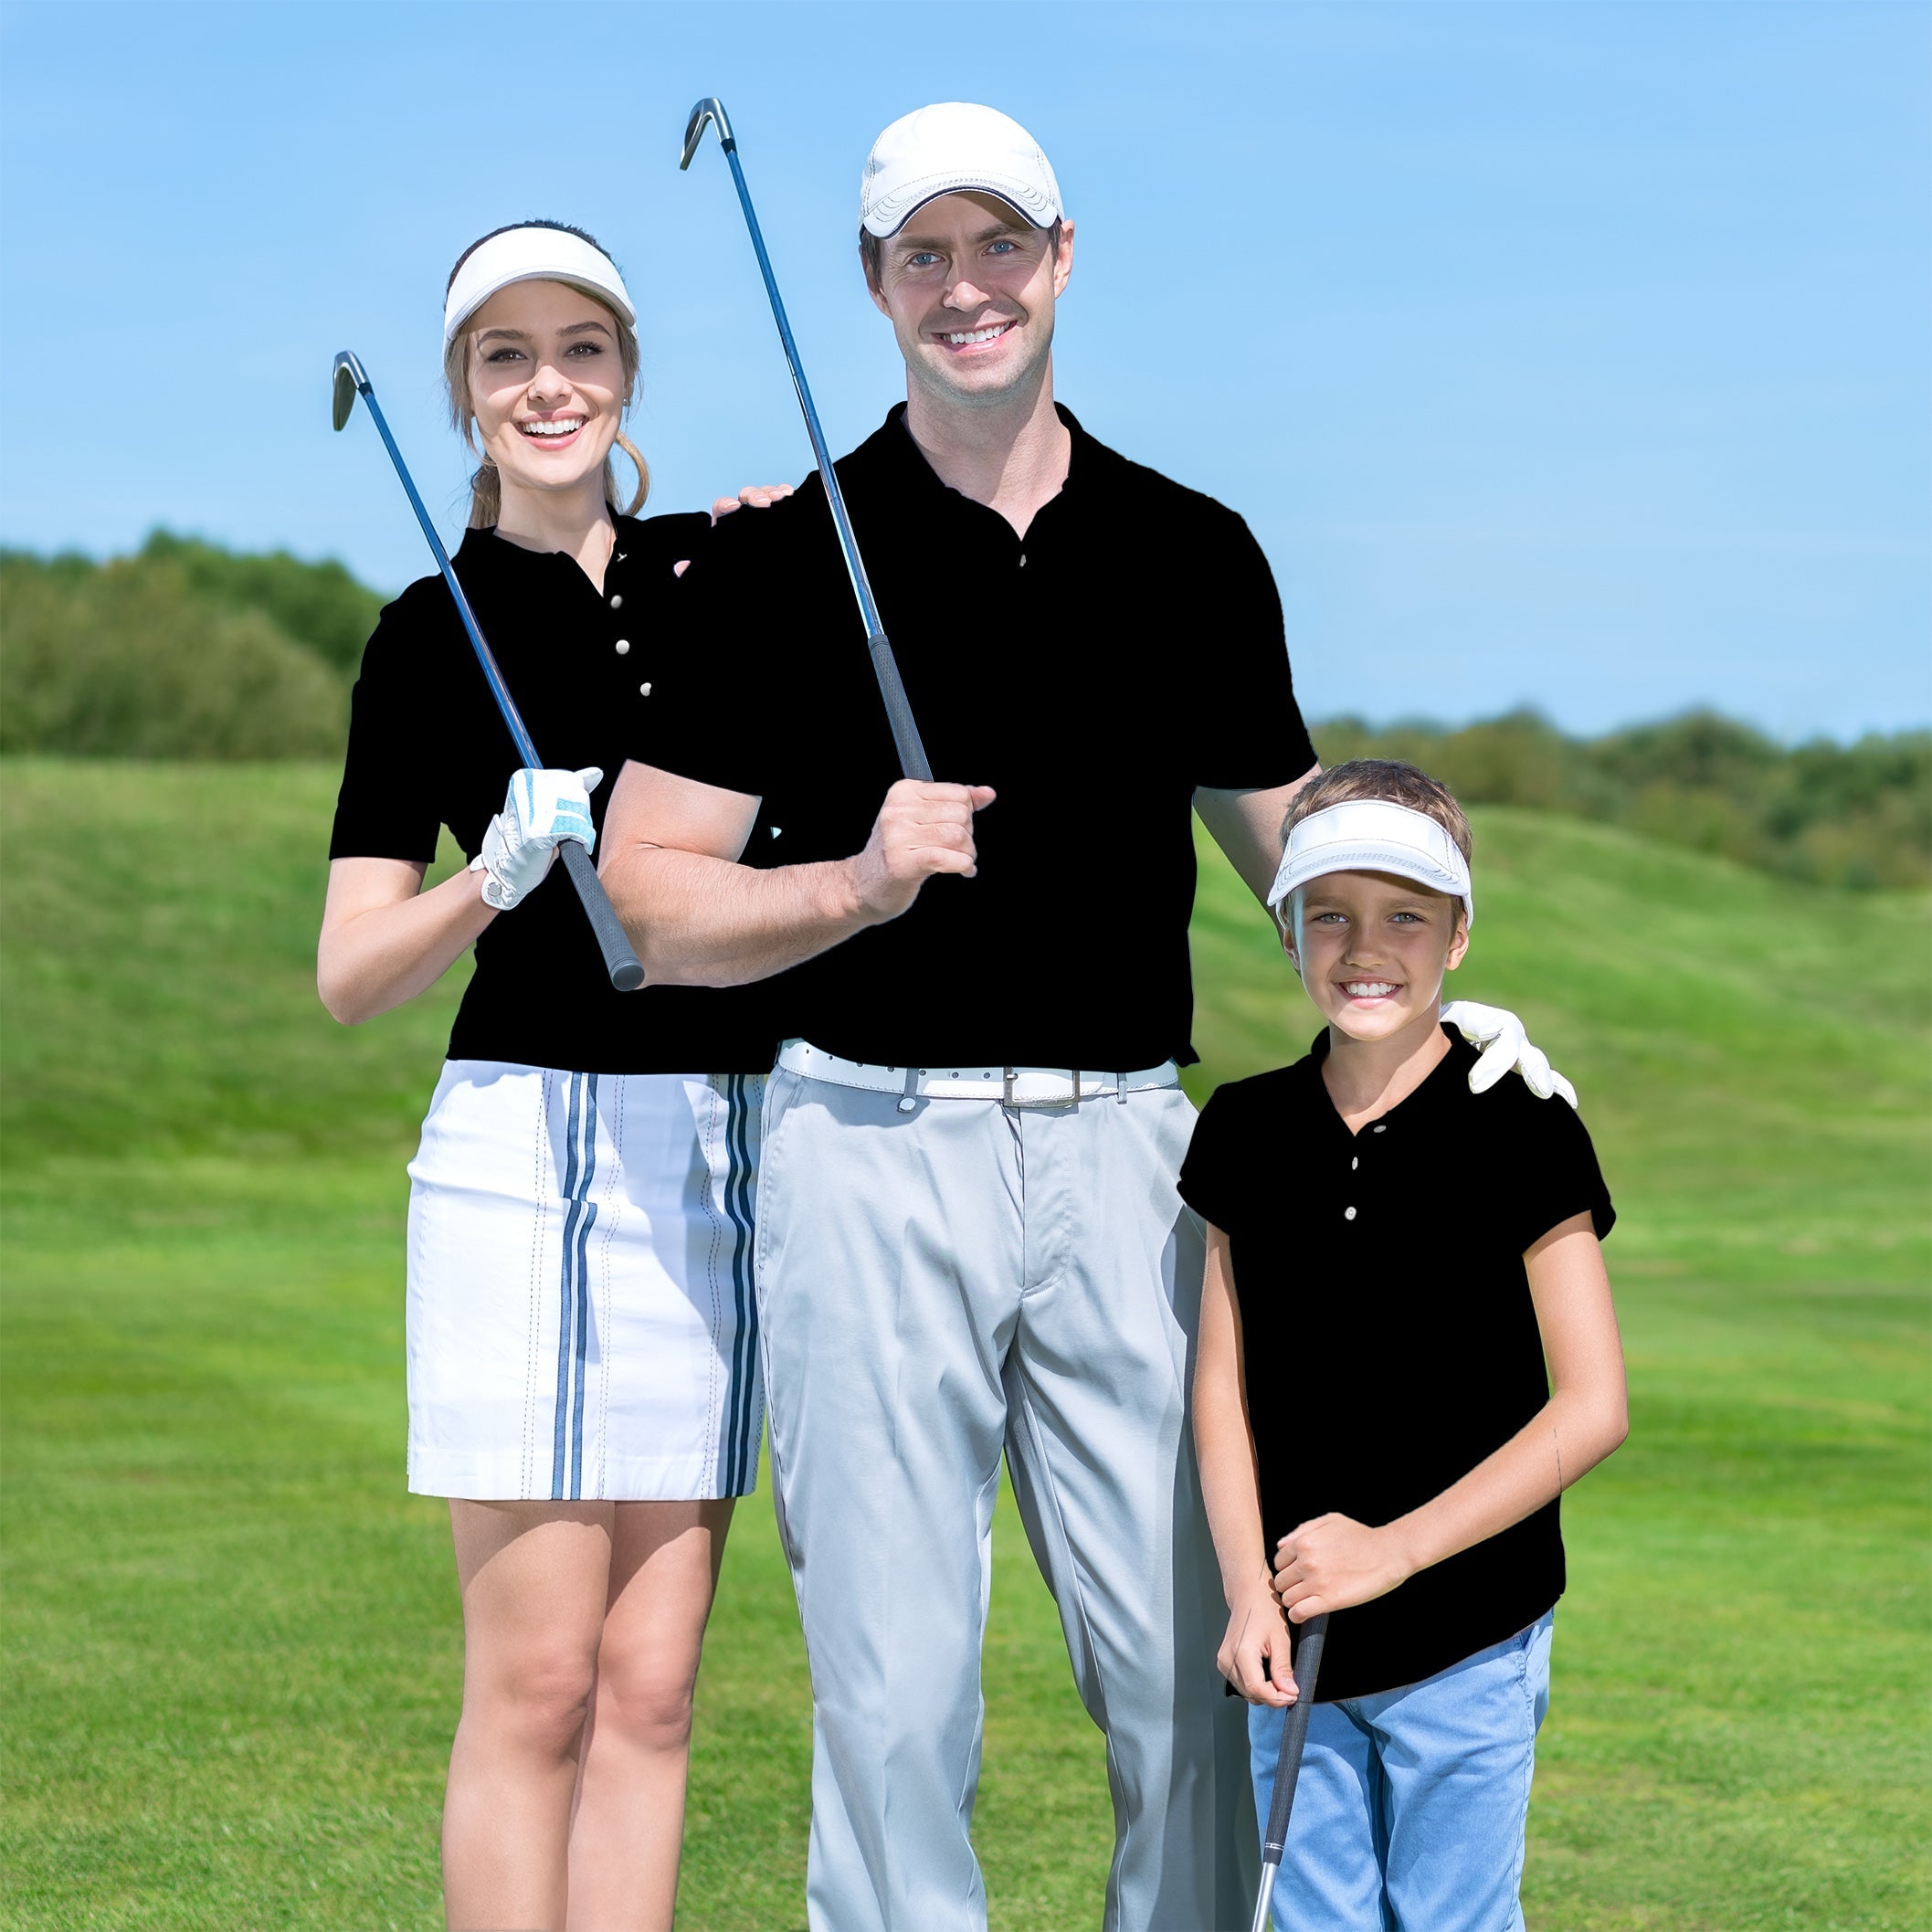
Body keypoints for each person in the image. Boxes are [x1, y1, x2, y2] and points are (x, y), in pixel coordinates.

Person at [599, 106, 1568, 1932]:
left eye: (999, 246)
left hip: (1136, 1159)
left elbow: (1297, 857)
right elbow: (644, 893)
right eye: (923, 256)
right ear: (876, 286)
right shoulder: (786, 554)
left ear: (1060, 256)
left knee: (1198, 1676)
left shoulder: (1193, 551)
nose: (966, 288)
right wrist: (846, 885)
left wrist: (1452, 993)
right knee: (893, 1701)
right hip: (862, 1150)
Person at [317, 220, 787, 1932]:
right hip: (522, 1147)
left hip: (709, 1152)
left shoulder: (724, 581)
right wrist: (486, 881)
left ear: (626, 374)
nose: (547, 385)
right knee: (539, 1686)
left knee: (655, 1687)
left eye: (579, 349)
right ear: (462, 393)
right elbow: (350, 971)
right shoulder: (420, 635)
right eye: (506, 356)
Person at [1183, 759, 1629, 1932]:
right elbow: (1220, 1385)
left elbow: (1593, 1406)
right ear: (1286, 930)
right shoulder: (1246, 1127)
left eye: (1404, 917)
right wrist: (1245, 1593)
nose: (1363, 946)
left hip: (1471, 1631)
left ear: (1458, 938)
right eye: (1328, 913)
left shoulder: (1524, 1126)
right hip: (1295, 1633)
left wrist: (1394, 1552)